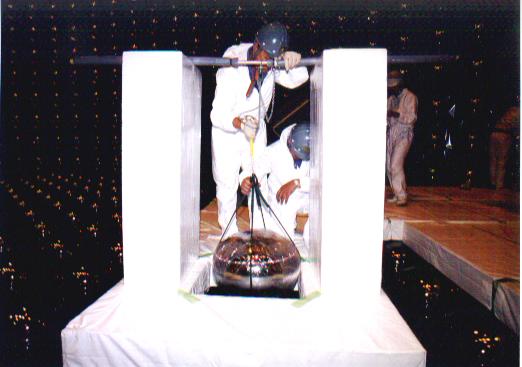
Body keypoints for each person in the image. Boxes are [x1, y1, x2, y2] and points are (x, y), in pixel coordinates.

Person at [210, 22, 309, 235]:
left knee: (257, 180)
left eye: (272, 60)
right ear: (256, 45)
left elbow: (299, 78)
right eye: (264, 57)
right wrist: (239, 123)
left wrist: (292, 60)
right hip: (227, 134)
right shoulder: (231, 68)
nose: (266, 64)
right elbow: (217, 115)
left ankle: (259, 232)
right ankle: (228, 234)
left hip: (255, 132)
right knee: (227, 187)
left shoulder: (271, 63)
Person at [239, 122, 310, 240]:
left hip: (309, 196)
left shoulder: (316, 148)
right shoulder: (274, 151)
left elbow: (323, 180)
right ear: (289, 142)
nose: (298, 158)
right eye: (297, 155)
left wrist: (297, 182)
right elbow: (255, 168)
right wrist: (245, 179)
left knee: (317, 236)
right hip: (283, 201)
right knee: (281, 241)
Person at [386, 70, 418, 206]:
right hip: (391, 133)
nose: (392, 88)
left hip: (404, 133)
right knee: (389, 165)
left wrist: (396, 114)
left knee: (395, 164)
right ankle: (396, 191)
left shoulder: (410, 97)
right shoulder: (391, 99)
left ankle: (402, 195)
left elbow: (412, 117)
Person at [489, 106, 520, 189]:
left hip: (494, 133)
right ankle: (499, 185)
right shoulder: (518, 112)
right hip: (504, 135)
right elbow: (517, 127)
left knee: (493, 160)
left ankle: (492, 182)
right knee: (501, 161)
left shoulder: (510, 110)